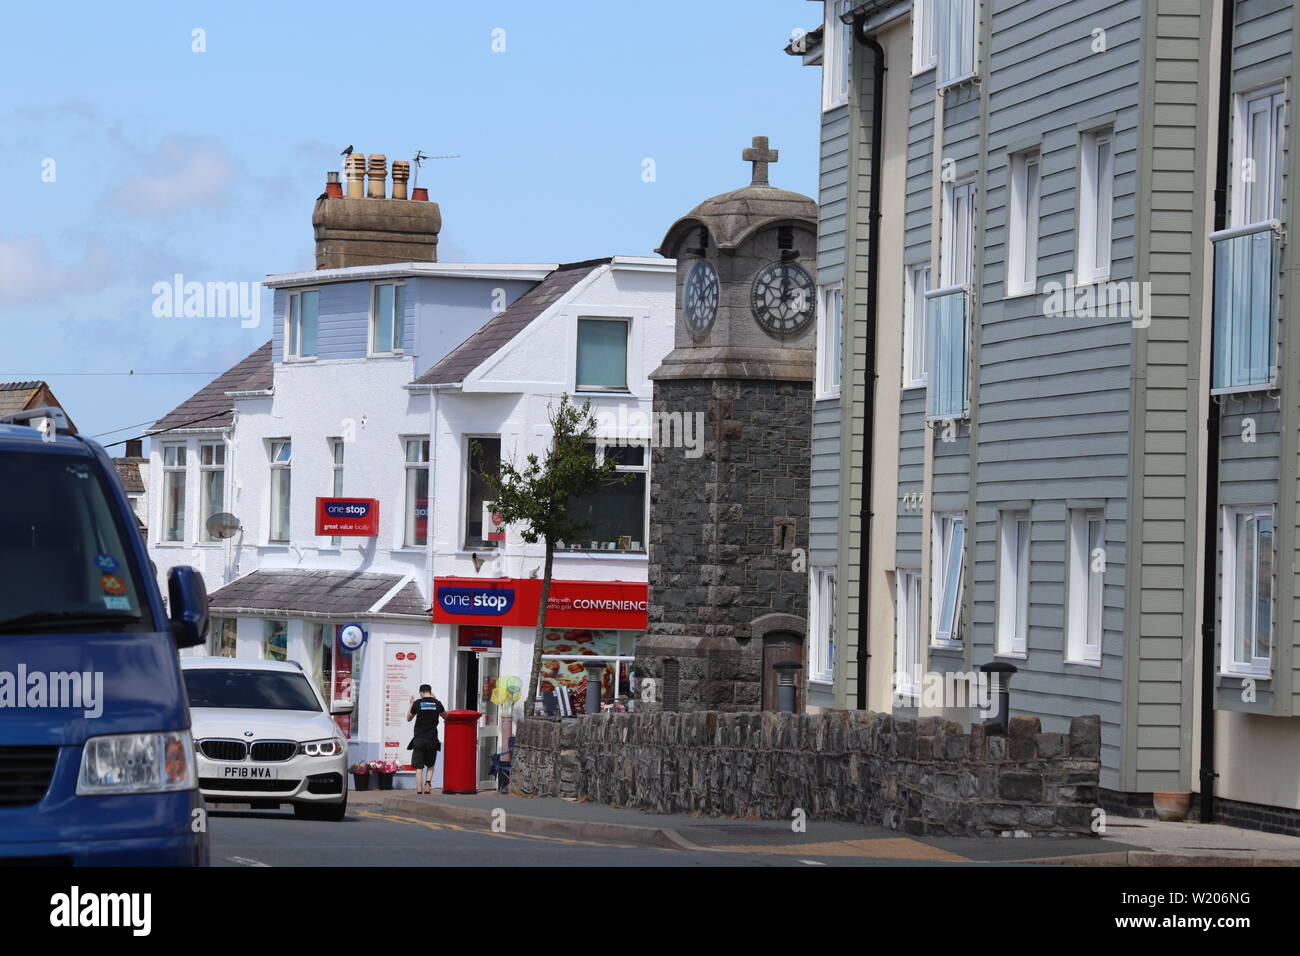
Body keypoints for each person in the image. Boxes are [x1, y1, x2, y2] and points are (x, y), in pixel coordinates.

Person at [406, 684, 446, 794]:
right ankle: (428, 783)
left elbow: (408, 718)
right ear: (430, 691)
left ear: (421, 693)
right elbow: (445, 716)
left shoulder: (417, 703)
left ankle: (419, 790)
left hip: (419, 739)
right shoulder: (437, 703)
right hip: (432, 739)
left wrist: (411, 704)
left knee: (419, 767)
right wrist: (436, 700)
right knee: (430, 765)